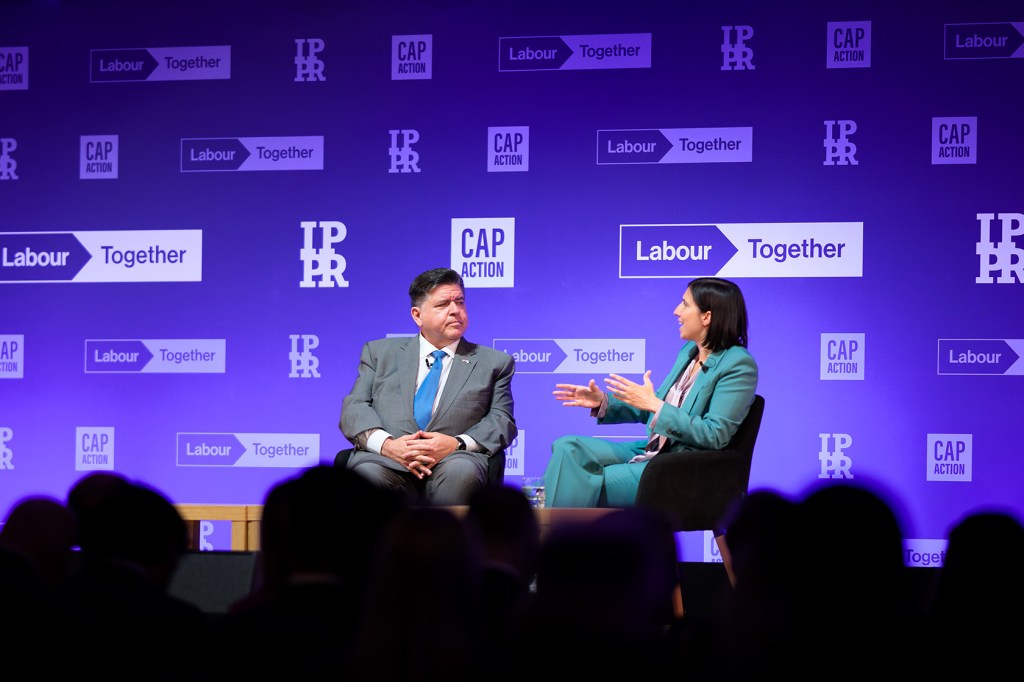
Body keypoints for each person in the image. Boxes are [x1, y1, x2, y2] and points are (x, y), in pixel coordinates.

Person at [544, 277, 757, 507]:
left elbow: (715, 434)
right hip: (654, 451)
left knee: (577, 481)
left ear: (707, 316)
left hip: (682, 467)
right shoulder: (689, 353)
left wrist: (657, 405)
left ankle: (556, 540)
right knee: (567, 447)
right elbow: (652, 408)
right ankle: (564, 538)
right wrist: (603, 401)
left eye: (685, 305)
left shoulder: (738, 364)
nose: (677, 311)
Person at [340, 267, 517, 505]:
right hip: (386, 459)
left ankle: (444, 542)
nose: (456, 311)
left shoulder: (494, 363)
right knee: (366, 476)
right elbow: (355, 406)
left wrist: (457, 443)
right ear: (417, 315)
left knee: (461, 473)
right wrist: (388, 445)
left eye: (460, 302)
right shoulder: (379, 353)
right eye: (443, 304)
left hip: (454, 459)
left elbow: (501, 419)